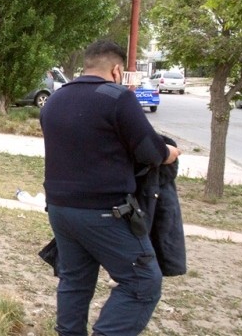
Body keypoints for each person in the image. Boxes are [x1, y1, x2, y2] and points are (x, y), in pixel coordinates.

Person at [40, 40, 181, 336]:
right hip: (105, 213)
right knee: (143, 281)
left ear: (86, 66)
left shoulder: (55, 99)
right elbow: (151, 152)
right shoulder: (118, 98)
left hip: (60, 210)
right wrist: (170, 152)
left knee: (75, 282)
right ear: (117, 70)